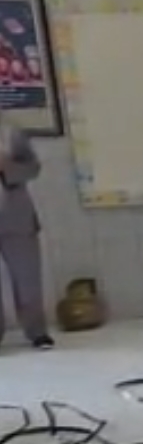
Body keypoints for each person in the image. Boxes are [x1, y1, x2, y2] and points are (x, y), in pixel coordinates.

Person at [0, 110, 53, 349]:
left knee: (27, 277)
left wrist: (7, 167)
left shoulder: (10, 131)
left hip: (15, 216)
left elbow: (33, 168)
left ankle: (37, 332)